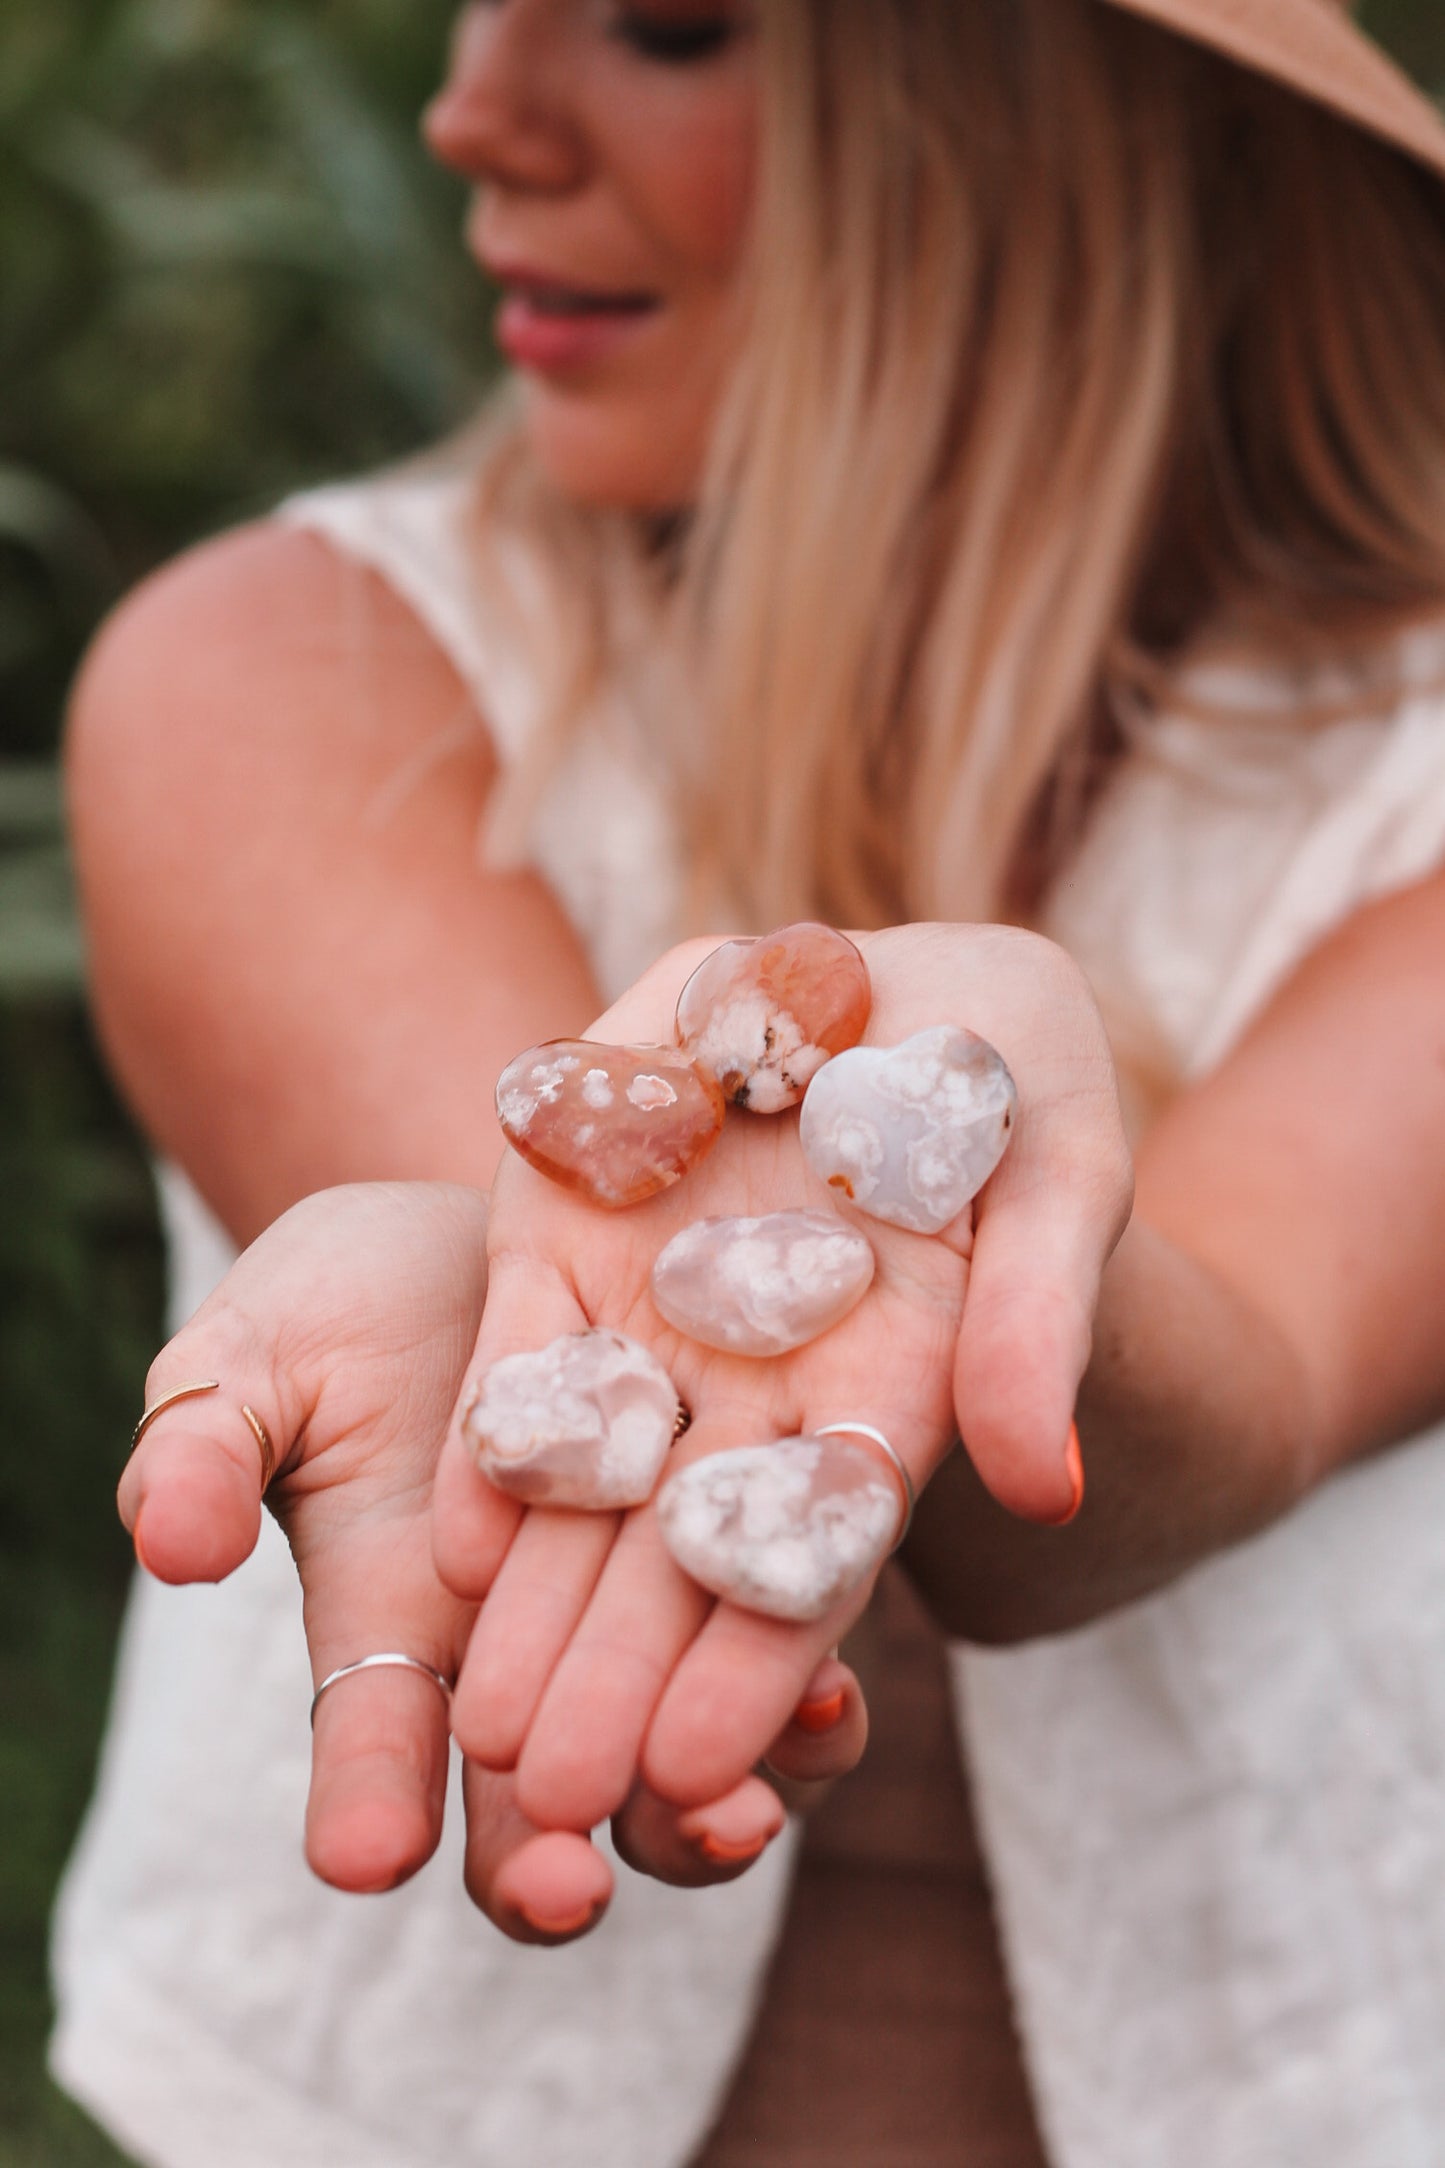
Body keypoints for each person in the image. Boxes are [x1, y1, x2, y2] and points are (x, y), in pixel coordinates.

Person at [52, 2, 1445, 2164]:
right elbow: (543, 1240)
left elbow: (1236, 1387)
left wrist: (973, 1161)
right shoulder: (282, 675)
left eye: (667, 25)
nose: (469, 115)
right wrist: (572, 1256)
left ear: (1042, 112)